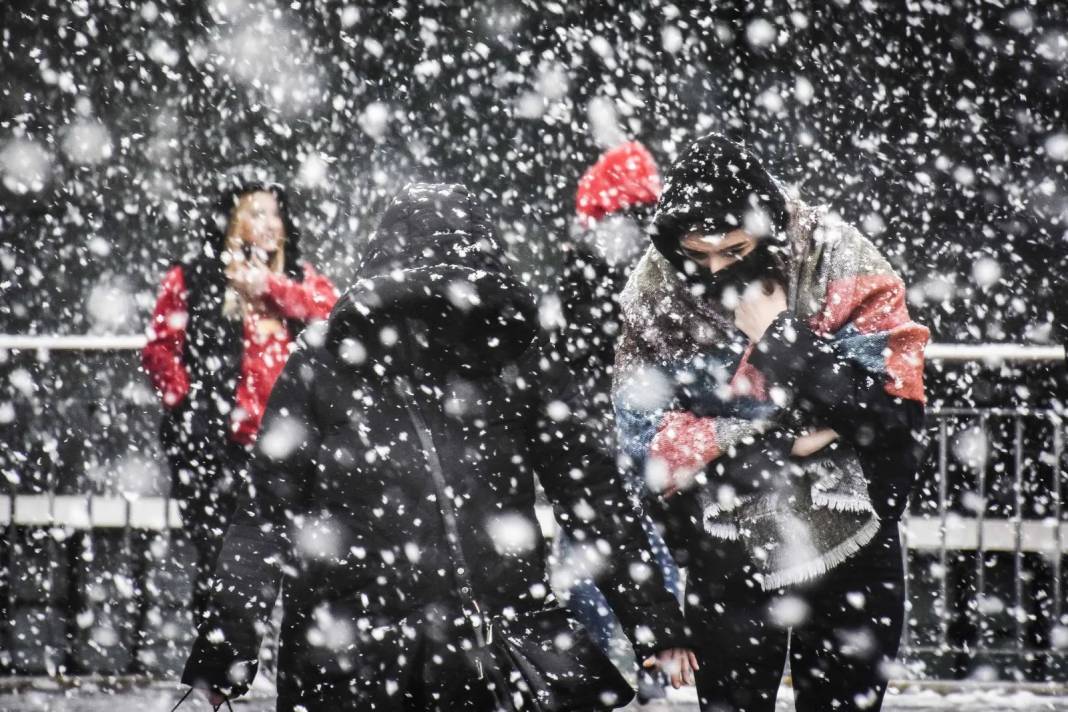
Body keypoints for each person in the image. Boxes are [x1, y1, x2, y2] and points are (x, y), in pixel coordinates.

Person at [179, 183, 696, 711]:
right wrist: (653, 620)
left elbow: (265, 516)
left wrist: (223, 658)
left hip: (347, 655)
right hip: (485, 647)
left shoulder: (325, 356)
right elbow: (591, 495)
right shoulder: (514, 353)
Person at [613, 135, 930, 712]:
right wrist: (797, 433)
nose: (714, 268)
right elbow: (644, 444)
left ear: (768, 230)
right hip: (725, 550)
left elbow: (896, 411)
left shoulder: (837, 257)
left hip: (853, 547)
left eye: (734, 251)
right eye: (698, 254)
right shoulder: (655, 291)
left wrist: (779, 334)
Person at [142, 174, 338, 622]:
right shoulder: (193, 278)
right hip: (215, 447)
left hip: (290, 446)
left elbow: (333, 315)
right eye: (256, 212)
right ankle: (221, 658)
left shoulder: (300, 280)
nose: (269, 223)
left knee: (294, 555)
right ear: (231, 221)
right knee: (220, 556)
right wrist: (187, 403)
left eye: (275, 213)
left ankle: (274, 651)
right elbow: (159, 350)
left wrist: (270, 288)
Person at [555, 141, 678, 702]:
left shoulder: (589, 253)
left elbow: (568, 347)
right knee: (652, 545)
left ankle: (595, 668)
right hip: (648, 422)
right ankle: (661, 661)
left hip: (592, 425)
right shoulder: (660, 255)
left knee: (584, 555)